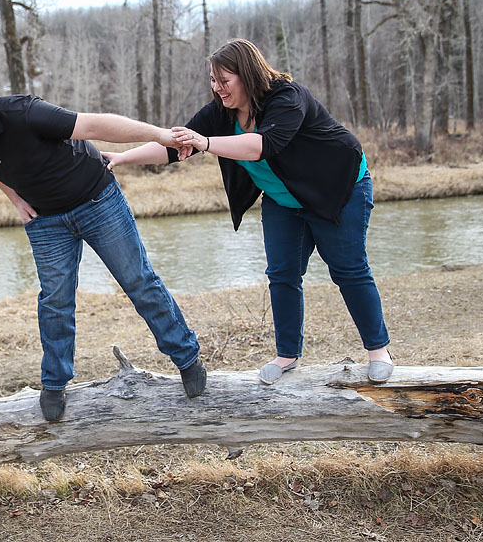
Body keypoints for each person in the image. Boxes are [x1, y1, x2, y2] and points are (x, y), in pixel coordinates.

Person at [102, 38, 394, 385]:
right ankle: (287, 355)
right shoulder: (220, 113)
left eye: (224, 80)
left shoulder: (287, 98)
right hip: (283, 200)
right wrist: (122, 157)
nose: (217, 88)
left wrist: (205, 143)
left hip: (338, 188)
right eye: (213, 80)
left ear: (248, 74)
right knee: (282, 275)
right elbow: (175, 146)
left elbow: (262, 145)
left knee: (348, 270)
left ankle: (379, 351)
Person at [0, 72, 206, 421]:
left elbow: (95, 125)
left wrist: (160, 135)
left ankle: (187, 357)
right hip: (46, 221)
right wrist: (15, 200)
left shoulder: (26, 113)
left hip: (97, 200)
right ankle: (55, 382)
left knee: (138, 281)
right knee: (54, 301)